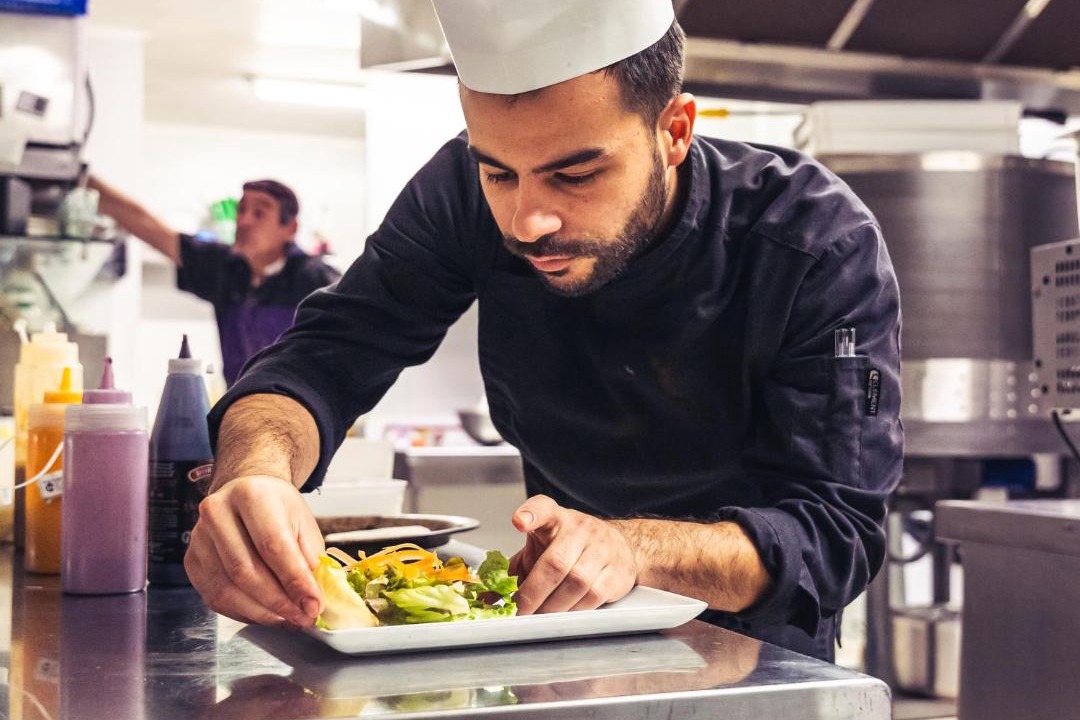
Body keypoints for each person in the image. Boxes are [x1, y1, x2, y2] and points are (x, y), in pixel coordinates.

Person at [185, 0, 903, 662]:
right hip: (554, 642)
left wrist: (631, 549)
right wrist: (255, 473)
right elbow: (320, 360)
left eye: (576, 175)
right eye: (500, 174)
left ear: (675, 131)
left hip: (753, 660)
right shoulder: (460, 197)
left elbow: (834, 534)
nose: (528, 221)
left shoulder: (812, 241)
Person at [88, 175, 341, 384]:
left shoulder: (316, 279)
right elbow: (149, 227)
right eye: (241, 211)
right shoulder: (226, 268)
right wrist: (84, 180)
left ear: (290, 228)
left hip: (300, 417)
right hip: (240, 407)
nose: (243, 221)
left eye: (259, 213)